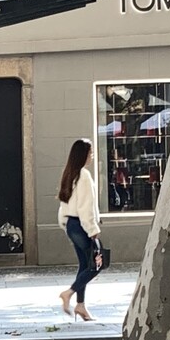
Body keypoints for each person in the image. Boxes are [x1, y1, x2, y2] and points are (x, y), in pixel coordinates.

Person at [57, 137, 102, 322]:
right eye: (90, 153)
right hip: (81, 225)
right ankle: (69, 293)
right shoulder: (84, 176)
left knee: (85, 264)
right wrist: (92, 229)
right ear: (83, 155)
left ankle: (81, 306)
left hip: (71, 224)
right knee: (96, 264)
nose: (92, 156)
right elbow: (85, 207)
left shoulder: (70, 173)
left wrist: (65, 223)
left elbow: (64, 203)